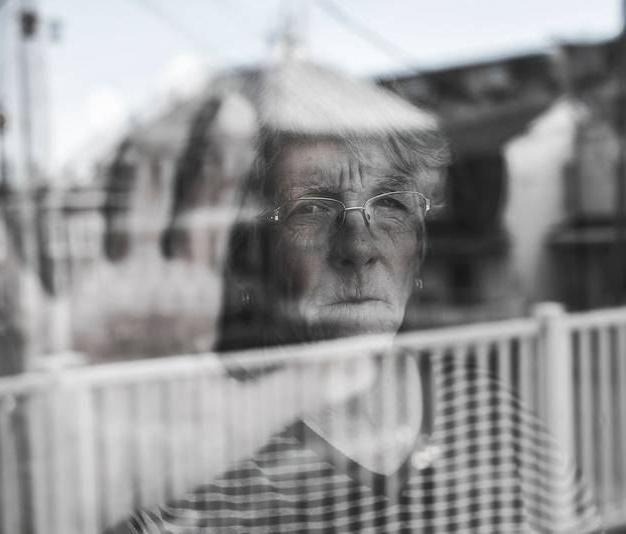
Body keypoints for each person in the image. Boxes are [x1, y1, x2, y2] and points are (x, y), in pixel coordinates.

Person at [109, 61, 602, 533]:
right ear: (247, 258)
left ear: (419, 248)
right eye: (312, 209)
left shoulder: (488, 412)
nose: (360, 247)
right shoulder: (200, 460)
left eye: (390, 205)